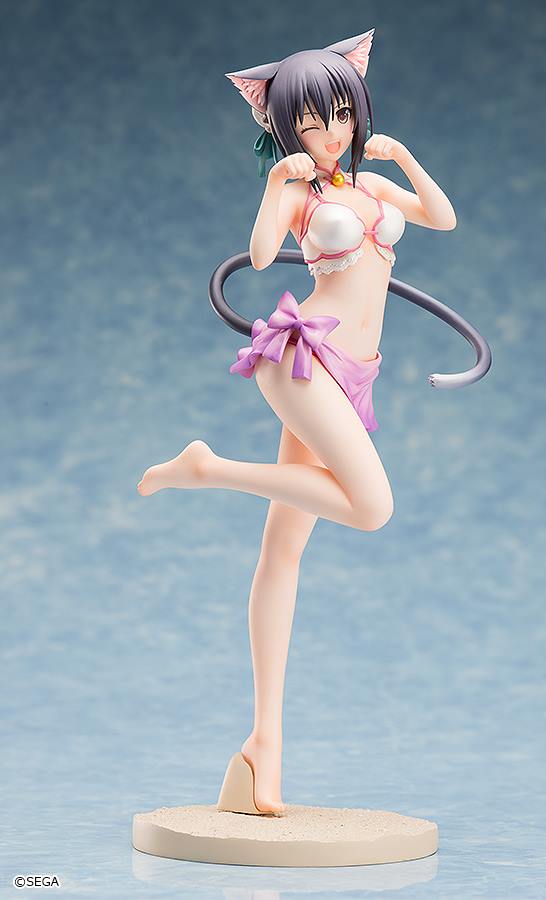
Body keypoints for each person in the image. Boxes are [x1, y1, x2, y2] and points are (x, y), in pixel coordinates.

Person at [137, 29, 466, 816]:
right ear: (287, 130)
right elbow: (257, 258)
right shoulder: (300, 194)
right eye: (311, 126)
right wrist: (276, 185)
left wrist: (402, 157)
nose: (330, 136)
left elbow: (442, 217)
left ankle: (265, 748)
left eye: (340, 117)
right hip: (303, 357)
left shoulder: (372, 188)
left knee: (283, 553)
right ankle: (209, 468)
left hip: (356, 374)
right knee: (372, 507)